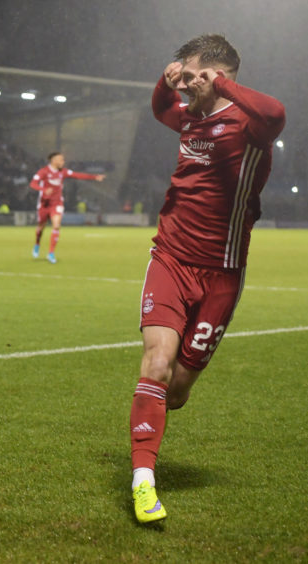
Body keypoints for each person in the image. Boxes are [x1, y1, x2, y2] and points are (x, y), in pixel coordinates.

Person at [128, 34, 285, 524]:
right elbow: (159, 109)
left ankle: (152, 421)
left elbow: (276, 111)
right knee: (156, 363)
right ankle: (142, 484)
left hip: (222, 274)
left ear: (216, 74)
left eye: (193, 73)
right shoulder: (190, 117)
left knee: (175, 389)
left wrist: (217, 82)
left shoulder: (251, 123)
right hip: (170, 259)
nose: (185, 83)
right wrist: (167, 78)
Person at [29, 152, 105, 263]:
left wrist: (94, 177)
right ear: (54, 160)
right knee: (41, 227)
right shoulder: (43, 171)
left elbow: (77, 175)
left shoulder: (63, 172)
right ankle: (37, 244)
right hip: (44, 204)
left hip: (57, 203)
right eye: (61, 160)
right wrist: (44, 190)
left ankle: (51, 253)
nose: (63, 162)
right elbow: (33, 184)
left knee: (56, 226)